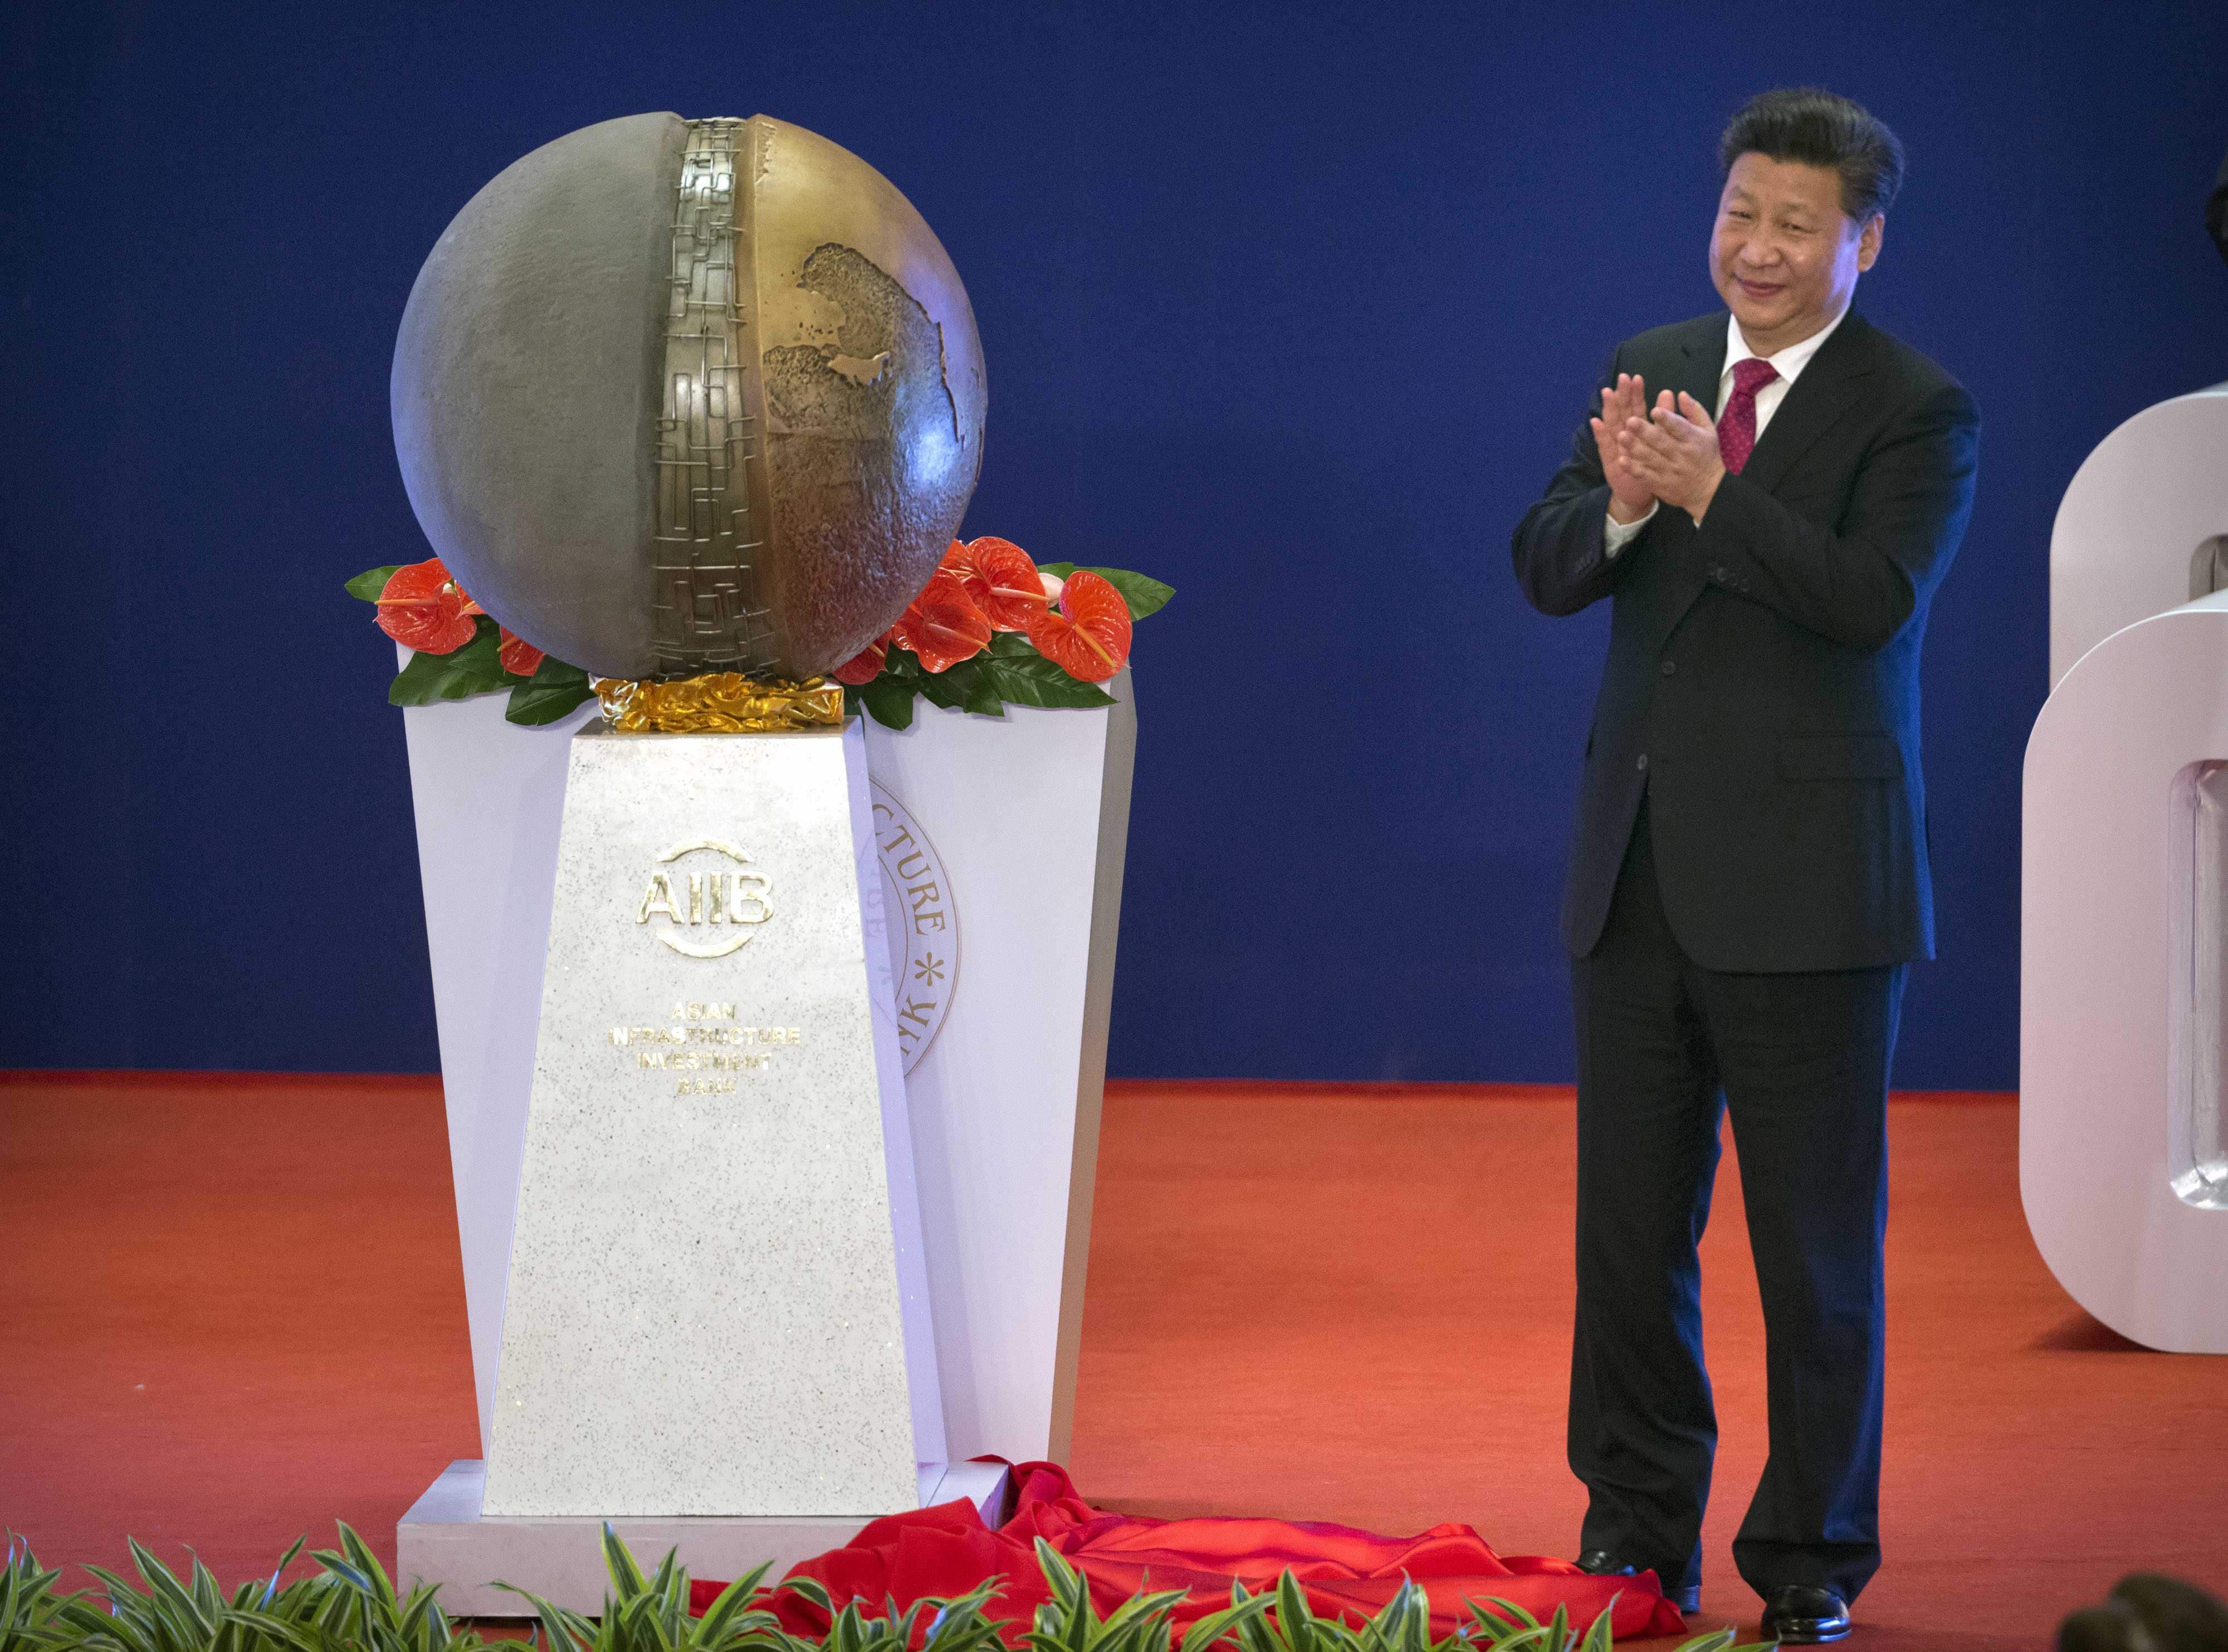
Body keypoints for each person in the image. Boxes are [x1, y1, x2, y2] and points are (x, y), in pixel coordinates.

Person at [1509, 88, 1980, 1645]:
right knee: (1627, 1240)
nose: (1756, 249)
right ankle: (1637, 1540)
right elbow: (1545, 561)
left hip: (1812, 894)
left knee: (1814, 1253)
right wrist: (1629, 511)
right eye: (1739, 215)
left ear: (1864, 241)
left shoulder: (1919, 409)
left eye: (1793, 224)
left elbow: (1870, 601)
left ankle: (1812, 1563)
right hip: (1635, 876)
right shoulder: (1651, 365)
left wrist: (1714, 495)